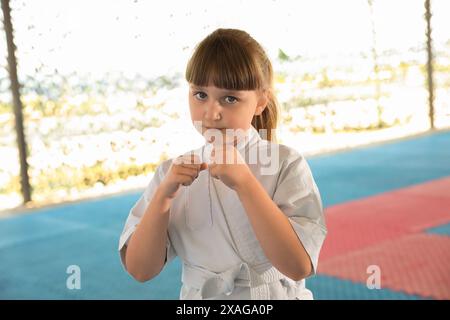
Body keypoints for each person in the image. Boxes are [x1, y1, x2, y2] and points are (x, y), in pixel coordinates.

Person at [118, 28, 327, 300]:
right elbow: (140, 270)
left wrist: (245, 183)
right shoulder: (172, 174)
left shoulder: (285, 163)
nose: (211, 113)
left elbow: (298, 266)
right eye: (200, 95)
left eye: (230, 98)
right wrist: (163, 196)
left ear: (260, 102)